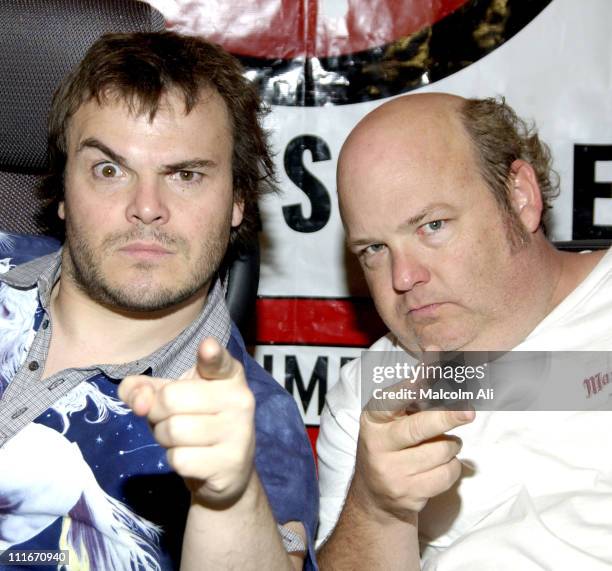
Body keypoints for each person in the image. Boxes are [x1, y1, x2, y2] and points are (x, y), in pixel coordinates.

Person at [0, 31, 318, 570]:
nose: (146, 207)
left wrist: (230, 498)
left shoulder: (252, 430)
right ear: (61, 190)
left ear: (238, 201)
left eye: (186, 174)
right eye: (109, 170)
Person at [316, 93, 612, 569]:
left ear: (519, 197)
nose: (403, 277)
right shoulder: (372, 394)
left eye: (433, 225)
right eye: (374, 248)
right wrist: (377, 510)